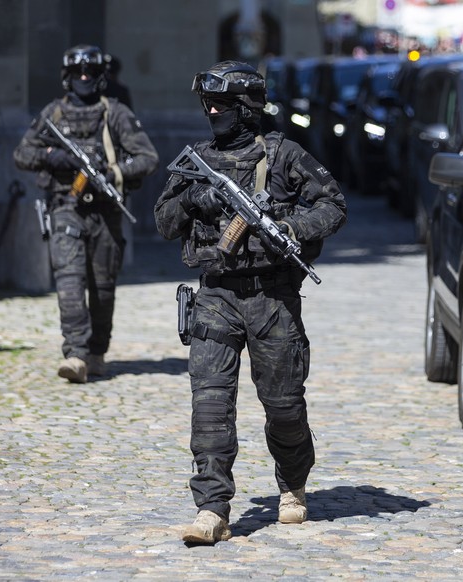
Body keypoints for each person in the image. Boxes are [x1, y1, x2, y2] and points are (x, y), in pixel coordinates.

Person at [154, 61, 347, 544]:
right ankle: (212, 509)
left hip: (272, 300)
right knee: (210, 407)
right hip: (216, 296)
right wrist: (194, 199)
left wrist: (292, 228)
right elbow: (162, 222)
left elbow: (333, 205)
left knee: (283, 406)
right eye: (208, 105)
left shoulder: (283, 156)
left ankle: (293, 485)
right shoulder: (196, 158)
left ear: (246, 108)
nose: (212, 112)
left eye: (221, 105)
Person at [13, 44, 159, 384]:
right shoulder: (54, 114)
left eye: (90, 73)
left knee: (103, 288)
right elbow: (22, 153)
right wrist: (52, 157)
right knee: (69, 281)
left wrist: (114, 172)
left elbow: (148, 158)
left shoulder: (115, 113)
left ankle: (96, 352)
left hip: (106, 211)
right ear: (67, 76)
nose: (83, 78)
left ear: (100, 77)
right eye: (78, 73)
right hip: (66, 207)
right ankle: (75, 354)